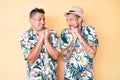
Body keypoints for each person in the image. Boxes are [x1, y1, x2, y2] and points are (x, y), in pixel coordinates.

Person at [60, 6, 99, 80]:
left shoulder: (90, 31)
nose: (69, 23)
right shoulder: (65, 33)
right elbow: (64, 57)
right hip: (69, 76)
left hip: (86, 76)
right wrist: (74, 40)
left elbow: (92, 54)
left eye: (71, 20)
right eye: (67, 20)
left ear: (80, 19)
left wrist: (78, 35)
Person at [20, 8, 60, 80]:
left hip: (51, 77)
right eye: (39, 19)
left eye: (44, 19)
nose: (42, 22)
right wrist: (41, 39)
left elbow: (56, 56)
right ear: (31, 20)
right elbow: (31, 59)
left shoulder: (52, 33)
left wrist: (46, 40)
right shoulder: (25, 36)